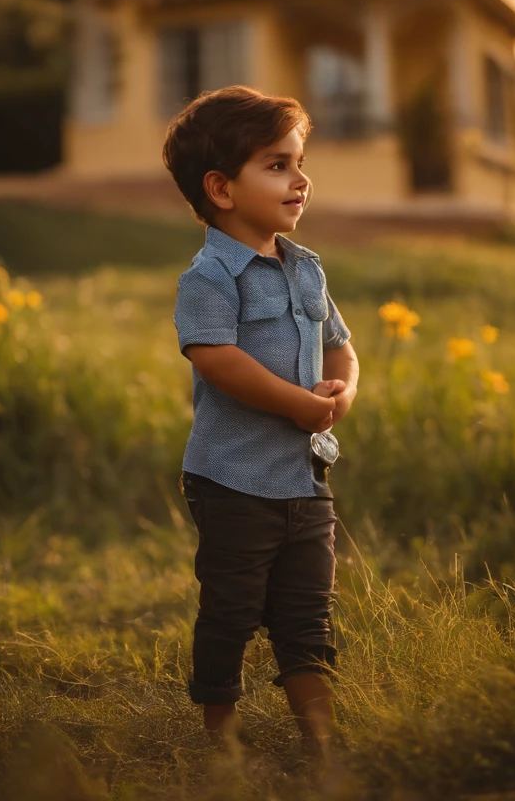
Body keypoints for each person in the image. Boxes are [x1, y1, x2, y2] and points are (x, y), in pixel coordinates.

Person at [162, 85, 359, 761]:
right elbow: (217, 360)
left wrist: (341, 392)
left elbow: (340, 342)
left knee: (308, 612)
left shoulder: (306, 268)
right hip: (234, 481)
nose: (300, 179)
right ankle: (220, 737)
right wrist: (298, 404)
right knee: (233, 611)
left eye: (299, 162)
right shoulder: (211, 277)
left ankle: (321, 738)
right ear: (221, 188)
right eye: (277, 165)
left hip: (303, 480)